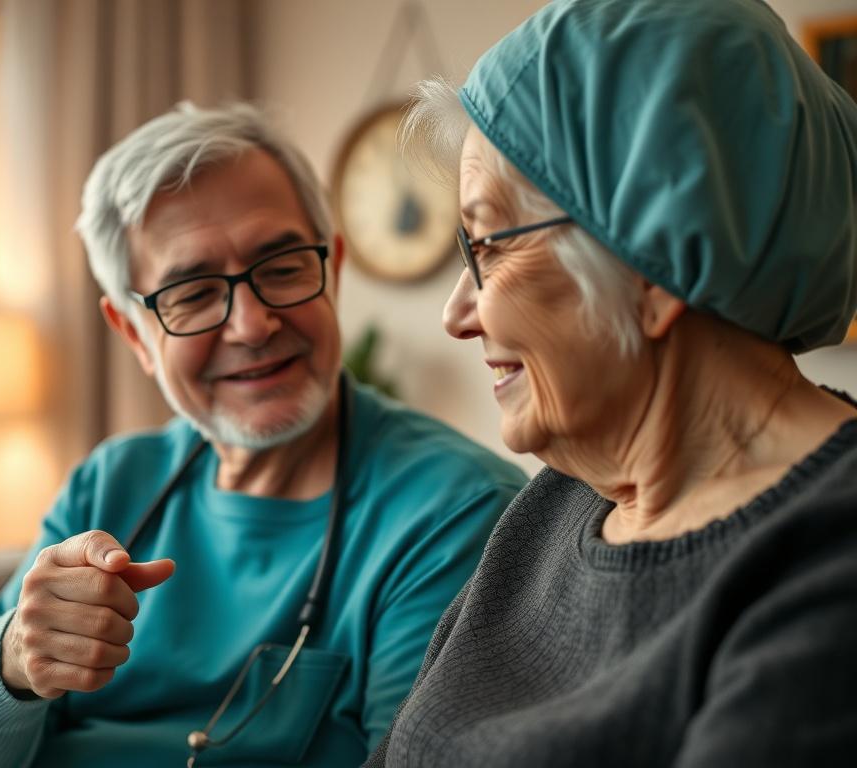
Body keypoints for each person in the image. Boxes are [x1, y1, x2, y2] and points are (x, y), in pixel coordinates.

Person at [0, 102, 527, 767]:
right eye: (192, 293)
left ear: (332, 269)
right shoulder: (112, 483)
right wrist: (11, 662)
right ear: (133, 334)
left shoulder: (454, 510)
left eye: (282, 268)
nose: (251, 325)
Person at [367, 0, 857, 765]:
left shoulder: (827, 563)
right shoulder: (556, 504)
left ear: (651, 262)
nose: (456, 315)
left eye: (489, 246)